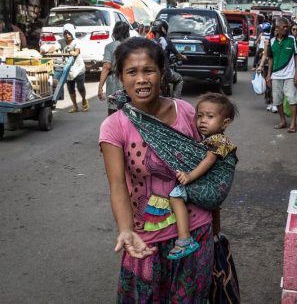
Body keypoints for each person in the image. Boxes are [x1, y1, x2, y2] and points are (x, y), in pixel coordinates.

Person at [99, 37, 213, 302]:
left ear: (162, 73)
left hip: (195, 232)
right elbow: (117, 185)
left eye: (149, 70)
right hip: (145, 239)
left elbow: (209, 168)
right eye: (132, 72)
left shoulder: (185, 111)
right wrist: (125, 231)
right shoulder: (115, 126)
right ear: (120, 76)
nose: (141, 79)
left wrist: (215, 230)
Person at [167, 92, 237, 260]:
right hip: (217, 195)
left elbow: (209, 160)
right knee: (214, 206)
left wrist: (189, 176)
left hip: (212, 191)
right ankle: (216, 233)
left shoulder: (218, 140)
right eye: (200, 116)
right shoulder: (215, 140)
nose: (203, 120)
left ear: (225, 123)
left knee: (175, 195)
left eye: (210, 116)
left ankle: (184, 240)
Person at [266, 17, 297, 133]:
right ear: (277, 28)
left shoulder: (292, 39)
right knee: (277, 100)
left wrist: (296, 74)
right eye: (284, 27)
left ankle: (293, 124)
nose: (286, 29)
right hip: (276, 75)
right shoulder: (271, 41)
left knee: (292, 99)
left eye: (287, 27)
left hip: (290, 75)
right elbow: (270, 59)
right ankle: (283, 121)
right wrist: (269, 75)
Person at [47, 23, 88, 113]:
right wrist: (48, 51)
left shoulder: (77, 42)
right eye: (65, 34)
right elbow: (55, 47)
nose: (67, 36)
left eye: (69, 33)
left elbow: (77, 50)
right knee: (70, 88)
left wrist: (75, 52)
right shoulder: (61, 42)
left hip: (78, 68)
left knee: (80, 87)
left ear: (72, 33)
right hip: (68, 69)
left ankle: (84, 100)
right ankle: (75, 106)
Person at [98, 21, 130, 116]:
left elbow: (107, 67)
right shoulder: (131, 46)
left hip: (115, 82)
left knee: (114, 110)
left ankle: (115, 129)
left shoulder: (110, 46)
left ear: (115, 32)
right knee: (128, 108)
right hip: (129, 80)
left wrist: (100, 87)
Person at [152, 19, 187, 98]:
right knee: (179, 79)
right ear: (164, 29)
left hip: (151, 72)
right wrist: (183, 57)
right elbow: (178, 55)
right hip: (164, 73)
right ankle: (176, 100)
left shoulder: (150, 42)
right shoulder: (166, 40)